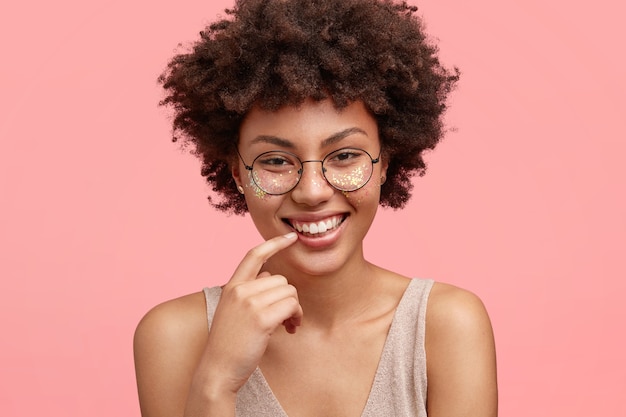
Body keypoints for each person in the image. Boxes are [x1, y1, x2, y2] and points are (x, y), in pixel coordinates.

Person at [133, 0, 498, 416]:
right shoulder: (175, 336)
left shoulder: (446, 325)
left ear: (385, 164)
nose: (311, 191)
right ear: (236, 173)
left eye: (344, 156)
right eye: (274, 161)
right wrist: (216, 382)